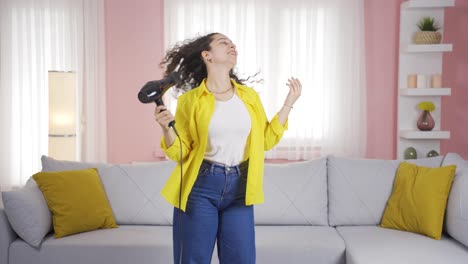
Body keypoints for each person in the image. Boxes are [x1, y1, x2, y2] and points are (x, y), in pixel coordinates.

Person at [154, 32, 301, 264]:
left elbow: (265, 140)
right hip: (200, 188)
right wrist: (166, 129)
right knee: (194, 259)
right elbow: (180, 152)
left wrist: (289, 103)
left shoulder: (249, 97)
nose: (232, 46)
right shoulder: (190, 101)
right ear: (207, 55)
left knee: (241, 259)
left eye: (233, 43)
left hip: (240, 188)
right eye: (224, 43)